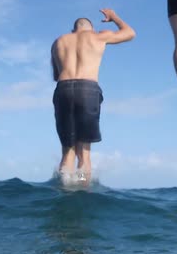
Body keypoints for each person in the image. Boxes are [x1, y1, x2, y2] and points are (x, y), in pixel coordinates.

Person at [51, 9, 135, 183]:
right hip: (87, 90)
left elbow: (55, 75)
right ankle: (81, 185)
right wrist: (114, 17)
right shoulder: (98, 36)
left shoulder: (59, 42)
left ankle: (65, 187)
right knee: (84, 153)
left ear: (73, 30)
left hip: (63, 89)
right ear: (90, 28)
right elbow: (130, 33)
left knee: (68, 151)